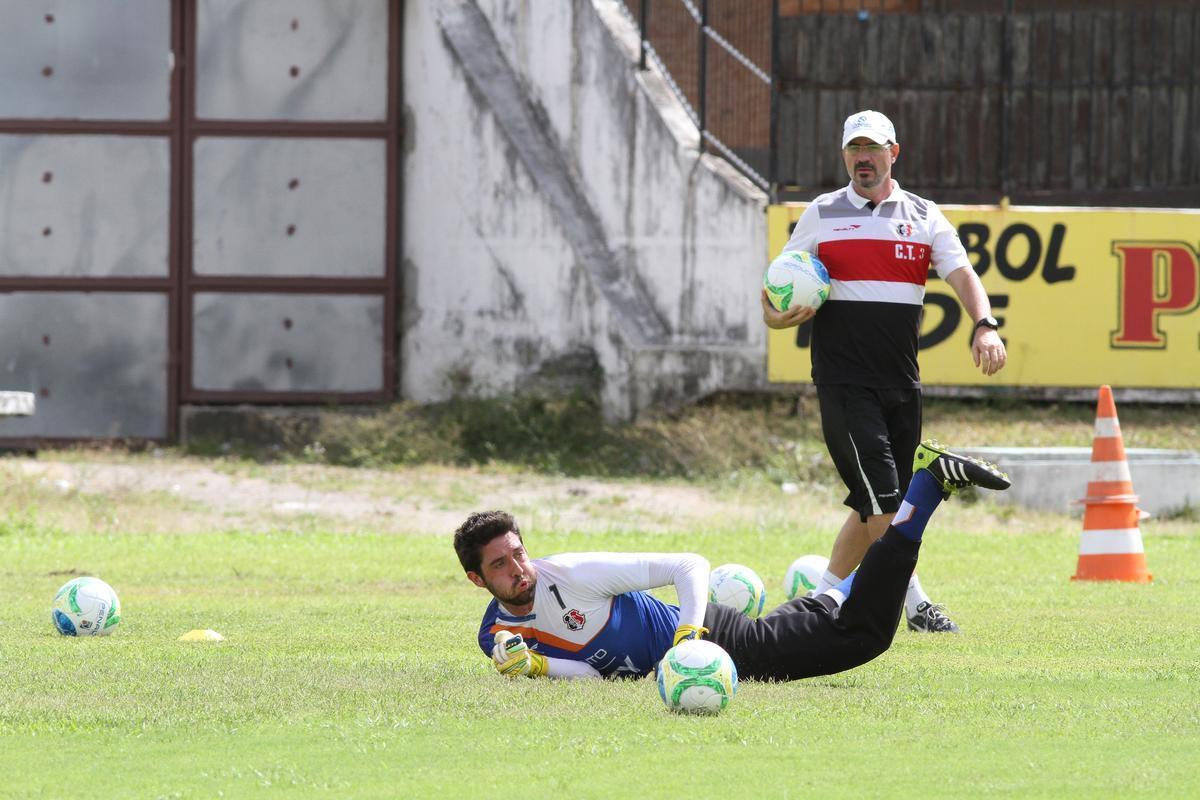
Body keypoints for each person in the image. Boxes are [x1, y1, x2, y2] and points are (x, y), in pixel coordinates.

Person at [454, 441, 1009, 681]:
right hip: (687, 658)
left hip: (712, 640)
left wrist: (690, 635)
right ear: (478, 579)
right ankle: (829, 592)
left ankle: (927, 485)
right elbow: (592, 675)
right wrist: (538, 668)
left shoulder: (572, 573)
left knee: (863, 638)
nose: (519, 567)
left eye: (519, 552)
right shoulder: (497, 633)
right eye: (502, 564)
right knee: (825, 622)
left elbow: (689, 564)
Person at [760, 110, 1007, 634]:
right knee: (887, 502)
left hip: (902, 383)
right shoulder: (822, 214)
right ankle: (916, 605)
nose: (862, 159)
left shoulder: (922, 214)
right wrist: (775, 315)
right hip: (844, 383)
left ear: (895, 153)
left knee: (870, 502)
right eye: (854, 149)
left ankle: (823, 599)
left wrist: (984, 324)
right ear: (845, 155)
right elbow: (777, 288)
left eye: (872, 149)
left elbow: (962, 273)